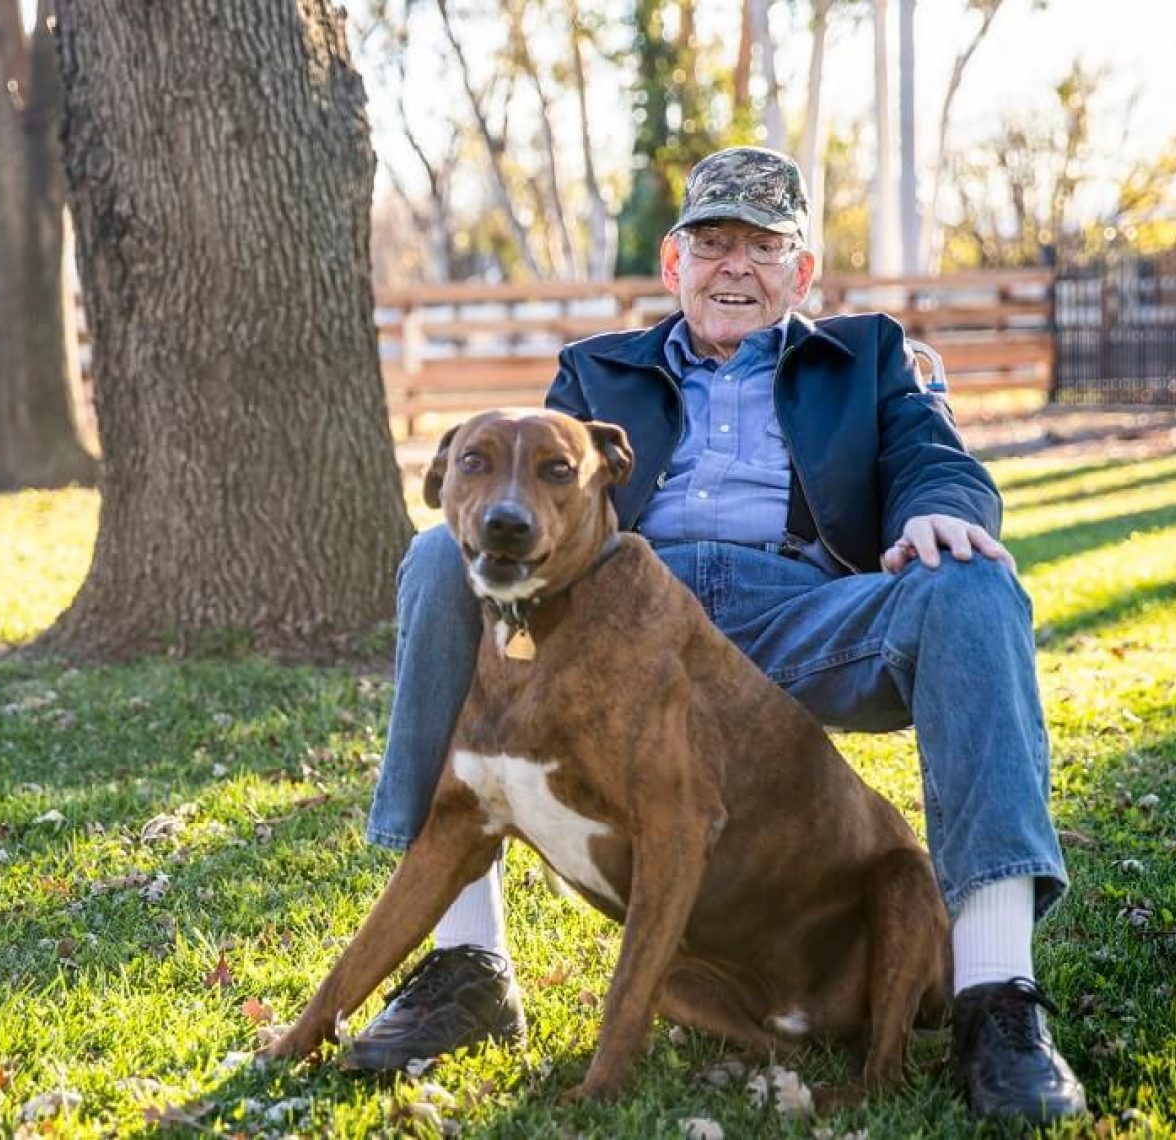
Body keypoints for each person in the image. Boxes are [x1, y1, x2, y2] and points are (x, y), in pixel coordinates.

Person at [351, 147, 1087, 1123]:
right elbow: (530, 497)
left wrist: (936, 511)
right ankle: (463, 963)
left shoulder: (865, 355)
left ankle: (994, 998)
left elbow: (932, 456)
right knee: (435, 560)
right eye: (712, 243)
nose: (734, 265)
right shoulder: (596, 369)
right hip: (631, 628)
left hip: (799, 618)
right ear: (673, 264)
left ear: (800, 271)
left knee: (973, 587)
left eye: (762, 244)